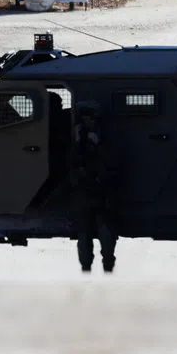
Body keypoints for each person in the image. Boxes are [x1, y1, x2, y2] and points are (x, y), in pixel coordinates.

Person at [70, 101, 117, 273]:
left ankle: (103, 264)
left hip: (98, 189)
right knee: (88, 231)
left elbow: (111, 162)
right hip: (89, 189)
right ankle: (90, 265)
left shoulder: (99, 140)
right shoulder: (84, 140)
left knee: (98, 230)